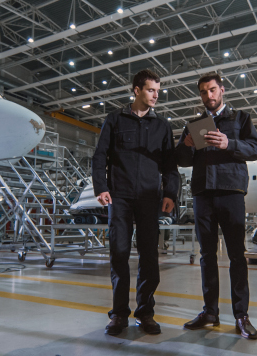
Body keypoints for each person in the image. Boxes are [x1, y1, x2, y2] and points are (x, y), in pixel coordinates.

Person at [175, 73, 257, 339]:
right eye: (203, 92)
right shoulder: (194, 124)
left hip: (231, 193)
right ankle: (210, 312)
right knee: (207, 256)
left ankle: (241, 316)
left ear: (222, 90)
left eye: (212, 90)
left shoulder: (240, 119)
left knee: (237, 254)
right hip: (203, 195)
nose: (208, 96)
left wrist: (230, 143)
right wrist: (187, 146)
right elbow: (181, 159)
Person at [92, 69, 179, 336]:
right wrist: (101, 187)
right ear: (137, 90)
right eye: (151, 90)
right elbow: (100, 156)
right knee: (118, 254)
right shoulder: (115, 119)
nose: (156, 95)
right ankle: (119, 314)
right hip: (120, 197)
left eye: (158, 91)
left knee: (149, 256)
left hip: (149, 199)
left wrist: (170, 194)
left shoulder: (162, 126)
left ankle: (145, 313)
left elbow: (170, 166)